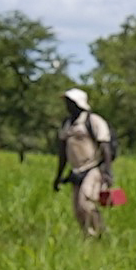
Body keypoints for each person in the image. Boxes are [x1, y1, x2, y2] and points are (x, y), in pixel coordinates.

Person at [55, 86, 118, 239]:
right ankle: (88, 235)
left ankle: (98, 234)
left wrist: (108, 172)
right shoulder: (68, 124)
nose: (67, 106)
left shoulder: (93, 121)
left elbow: (105, 147)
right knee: (77, 209)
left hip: (93, 168)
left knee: (86, 204)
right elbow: (63, 152)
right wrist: (58, 176)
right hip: (76, 170)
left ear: (78, 103)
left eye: (70, 102)